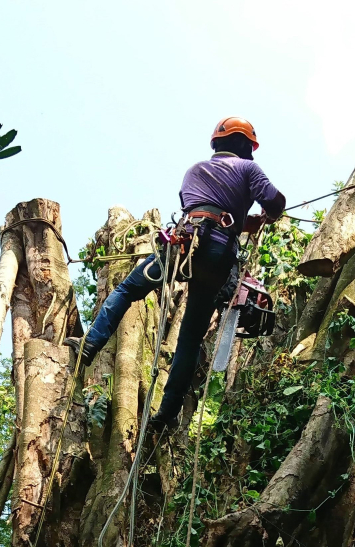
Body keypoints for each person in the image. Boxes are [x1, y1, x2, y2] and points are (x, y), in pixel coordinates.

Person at [64, 117, 285, 431]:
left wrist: (244, 219)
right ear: (246, 147)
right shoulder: (248, 170)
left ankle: (90, 345)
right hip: (218, 255)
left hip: (185, 244)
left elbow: (205, 206)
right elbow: (275, 203)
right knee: (190, 339)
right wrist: (265, 216)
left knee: (128, 290)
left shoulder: (194, 171)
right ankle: (166, 414)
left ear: (218, 144)